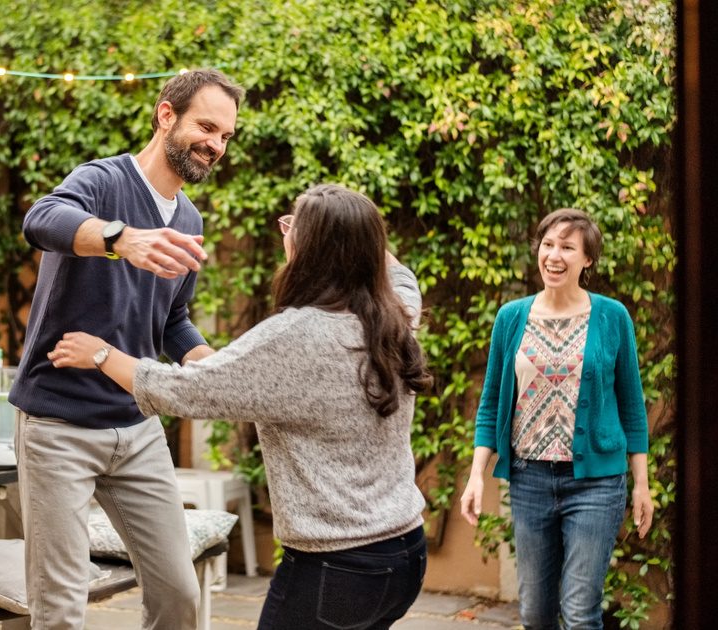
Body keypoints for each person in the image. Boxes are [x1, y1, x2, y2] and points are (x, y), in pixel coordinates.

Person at [48, 183, 433, 629]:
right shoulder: (395, 316)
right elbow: (402, 276)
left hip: (336, 569)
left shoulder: (295, 336)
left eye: (293, 227)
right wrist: (360, 235)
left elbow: (187, 389)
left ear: (314, 250)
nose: (285, 233)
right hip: (405, 553)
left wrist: (101, 355)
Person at [7, 69, 243, 629]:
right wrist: (120, 239)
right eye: (206, 127)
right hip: (58, 425)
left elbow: (172, 320)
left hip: (136, 428)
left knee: (179, 595)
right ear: (166, 116)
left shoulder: (189, 219)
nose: (215, 145)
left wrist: (209, 363)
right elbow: (41, 219)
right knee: (61, 611)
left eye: (226, 136)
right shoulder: (103, 181)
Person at [458, 208, 655, 629]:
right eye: (548, 244)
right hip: (529, 481)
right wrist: (477, 475)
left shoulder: (611, 316)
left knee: (581, 612)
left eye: (568, 247)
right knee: (535, 613)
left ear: (587, 260)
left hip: (596, 485)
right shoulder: (512, 317)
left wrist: (642, 484)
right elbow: (491, 402)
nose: (555, 255)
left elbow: (632, 407)